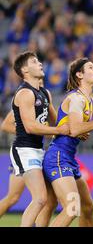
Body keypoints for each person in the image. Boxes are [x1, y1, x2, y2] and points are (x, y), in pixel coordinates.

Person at [43, 57, 93, 227]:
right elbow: (75, 129)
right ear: (79, 74)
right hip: (58, 157)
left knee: (88, 207)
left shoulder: (89, 99)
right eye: (91, 67)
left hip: (68, 158)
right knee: (72, 209)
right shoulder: (76, 99)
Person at [9, 51, 69, 227]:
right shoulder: (25, 93)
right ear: (25, 70)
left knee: (50, 200)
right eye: (34, 62)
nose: (40, 63)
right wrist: (58, 129)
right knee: (40, 198)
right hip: (24, 150)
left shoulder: (44, 93)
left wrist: (75, 124)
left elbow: (56, 120)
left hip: (38, 150)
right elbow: (30, 127)